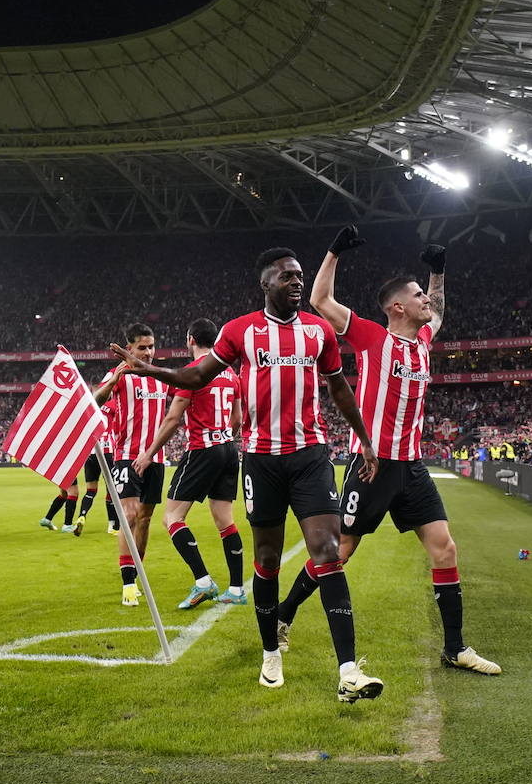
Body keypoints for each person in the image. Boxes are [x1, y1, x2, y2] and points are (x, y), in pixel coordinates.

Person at [110, 247, 385, 702]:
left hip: (311, 455)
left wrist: (366, 441)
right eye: (287, 277)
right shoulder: (241, 331)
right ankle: (270, 653)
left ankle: (349, 670)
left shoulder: (320, 331)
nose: (297, 283)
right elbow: (198, 376)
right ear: (266, 284)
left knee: (327, 550)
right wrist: (152, 369)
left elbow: (339, 389)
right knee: (270, 559)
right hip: (260, 460)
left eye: (300, 276)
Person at [276, 228, 501, 675]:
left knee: (445, 550)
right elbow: (320, 300)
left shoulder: (421, 341)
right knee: (338, 555)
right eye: (418, 295)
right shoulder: (372, 337)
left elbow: (440, 309)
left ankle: (454, 648)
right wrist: (334, 251)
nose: (427, 301)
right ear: (398, 307)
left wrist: (437, 271)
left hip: (411, 468)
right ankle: (284, 613)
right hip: (371, 467)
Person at [133, 318, 246, 609]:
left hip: (203, 450)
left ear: (190, 340)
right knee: (225, 521)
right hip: (228, 450)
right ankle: (236, 589)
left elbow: (173, 418)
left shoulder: (193, 373)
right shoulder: (230, 373)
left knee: (172, 518)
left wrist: (148, 454)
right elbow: (237, 420)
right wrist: (225, 438)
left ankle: (203, 582)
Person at [94, 323, 169, 607]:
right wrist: (113, 382)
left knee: (146, 518)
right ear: (129, 349)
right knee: (130, 514)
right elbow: (95, 400)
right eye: (142, 348)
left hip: (155, 457)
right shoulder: (119, 374)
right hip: (126, 456)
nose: (148, 352)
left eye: (151, 347)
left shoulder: (160, 376)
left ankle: (136, 575)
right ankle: (127, 584)